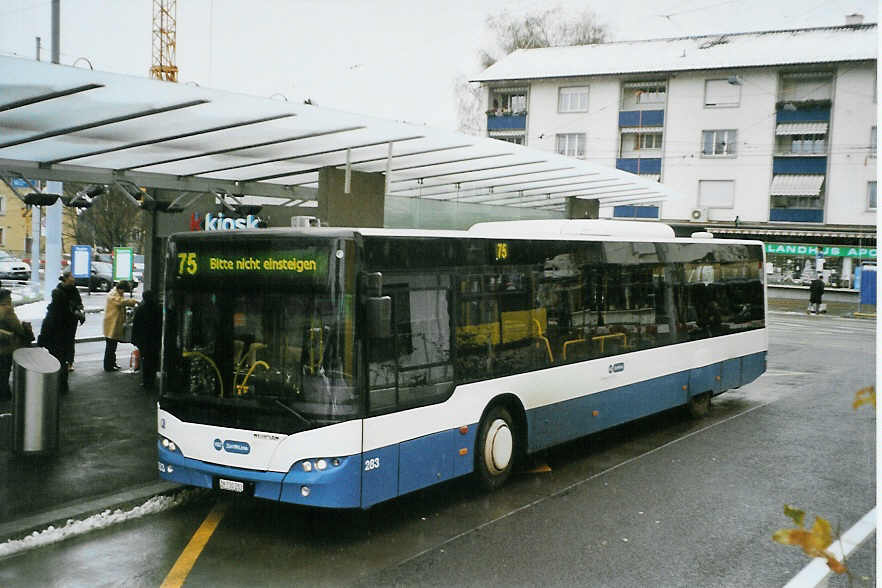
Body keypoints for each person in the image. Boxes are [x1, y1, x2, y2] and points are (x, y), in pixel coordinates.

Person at [38, 271, 85, 393]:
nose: (73, 280)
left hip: (58, 337)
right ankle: (63, 385)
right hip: (64, 334)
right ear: (65, 279)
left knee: (57, 359)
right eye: (71, 278)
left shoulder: (54, 310)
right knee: (62, 359)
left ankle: (59, 385)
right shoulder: (63, 306)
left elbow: (47, 325)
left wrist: (42, 339)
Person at [0, 289, 33, 400]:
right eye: (10, 298)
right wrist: (25, 329)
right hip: (6, 347)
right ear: (6, 298)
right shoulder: (7, 310)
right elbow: (17, 328)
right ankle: (4, 395)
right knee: (4, 372)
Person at [103, 281, 138, 372]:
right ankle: (108, 366)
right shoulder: (113, 295)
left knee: (113, 346)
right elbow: (121, 302)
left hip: (114, 324)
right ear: (120, 288)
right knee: (110, 347)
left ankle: (112, 363)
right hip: (111, 324)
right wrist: (134, 301)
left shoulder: (117, 293)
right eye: (124, 291)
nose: (124, 293)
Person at [132, 290, 162, 389]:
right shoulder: (158, 308)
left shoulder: (140, 309)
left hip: (144, 340)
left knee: (145, 361)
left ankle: (146, 381)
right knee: (153, 360)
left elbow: (136, 325)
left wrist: (134, 339)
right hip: (154, 339)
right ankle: (152, 380)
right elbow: (160, 325)